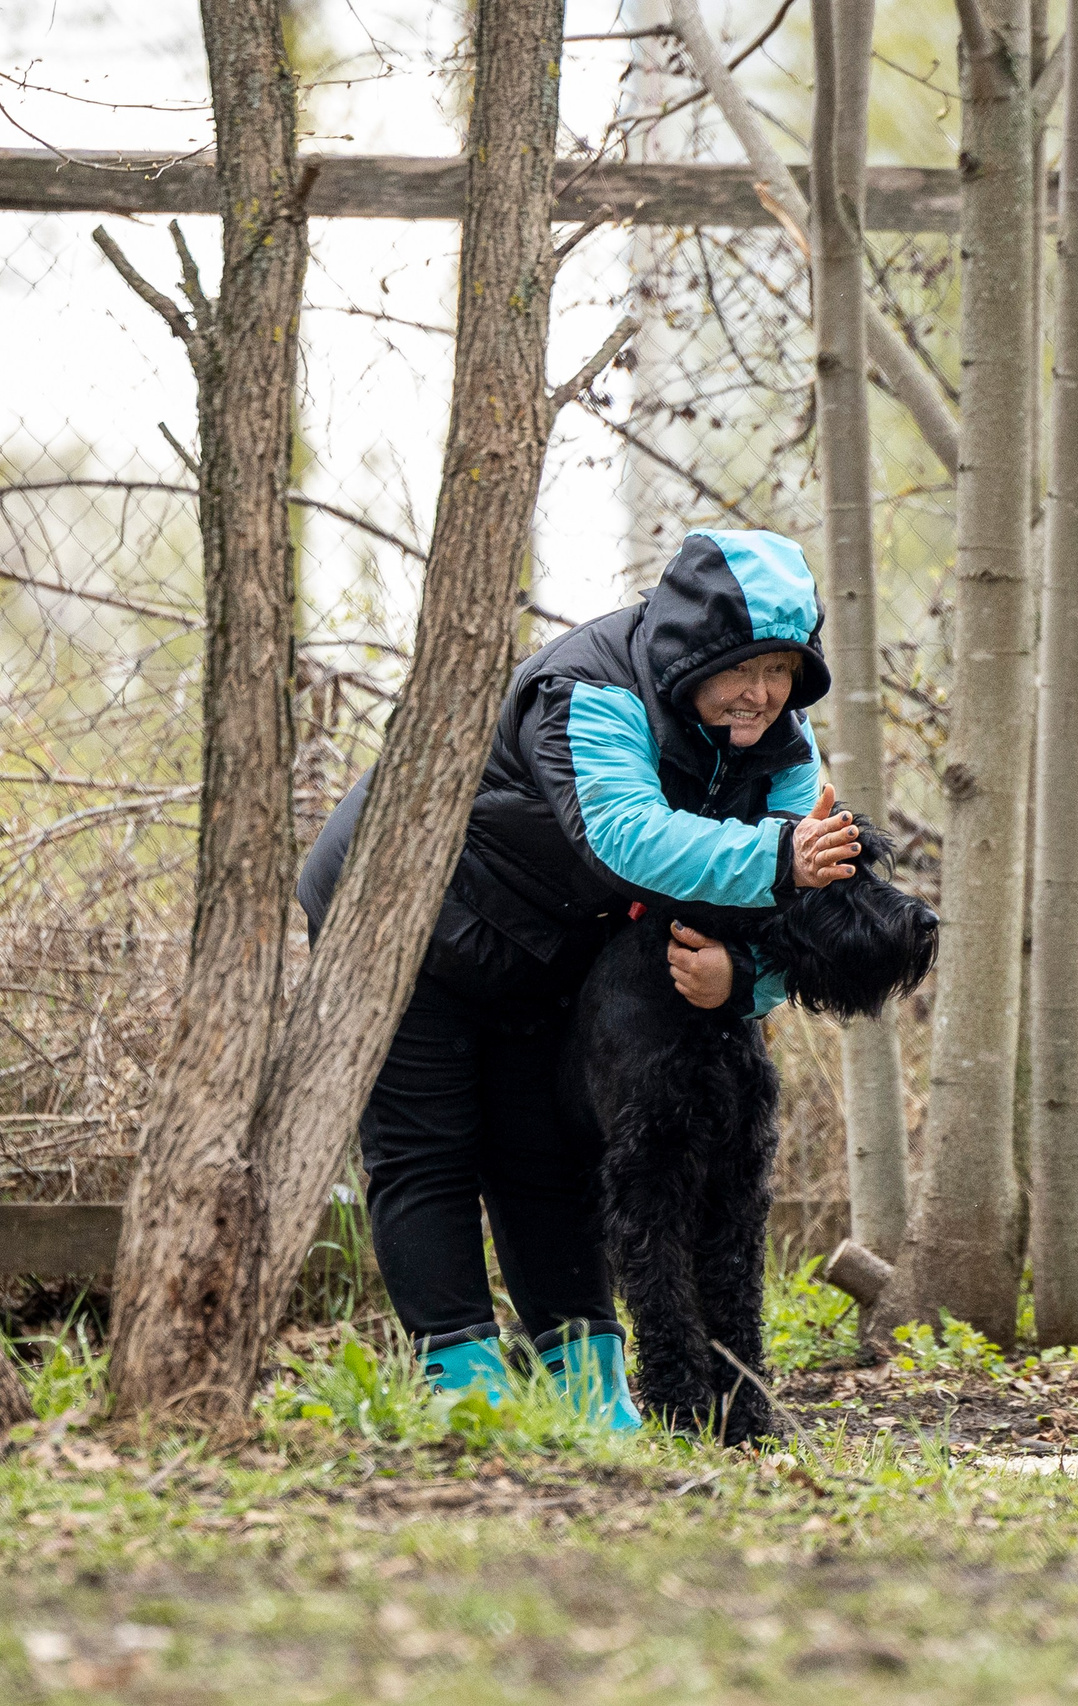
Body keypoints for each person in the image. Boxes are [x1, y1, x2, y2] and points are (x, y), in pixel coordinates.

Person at [297, 528, 861, 1428]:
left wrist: (743, 974)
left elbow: (813, 901)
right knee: (428, 1147)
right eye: (745, 667)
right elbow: (625, 834)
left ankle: (593, 1394)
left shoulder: (781, 746)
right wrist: (779, 855)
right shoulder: (591, 687)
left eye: (785, 670)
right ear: (692, 649)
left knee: (548, 1152)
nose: (764, 692)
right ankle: (468, 1398)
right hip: (404, 901)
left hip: (548, 941)